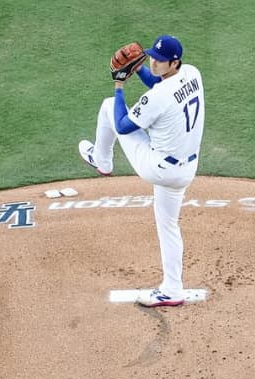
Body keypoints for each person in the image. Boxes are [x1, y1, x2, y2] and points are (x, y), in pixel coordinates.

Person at [78, 35, 205, 307]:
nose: (154, 62)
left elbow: (123, 126)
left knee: (108, 108)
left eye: (160, 60)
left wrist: (120, 85)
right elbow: (160, 84)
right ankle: (172, 289)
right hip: (186, 169)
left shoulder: (159, 96)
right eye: (152, 58)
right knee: (168, 225)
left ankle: (102, 161)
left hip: (157, 167)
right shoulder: (192, 73)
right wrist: (138, 70)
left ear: (175, 62)